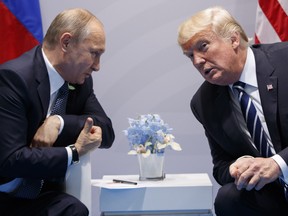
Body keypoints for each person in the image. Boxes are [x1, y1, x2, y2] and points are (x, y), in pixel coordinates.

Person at [0, 8, 115, 216]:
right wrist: (73, 152)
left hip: (39, 195)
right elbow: (10, 160)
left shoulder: (80, 81)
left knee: (74, 210)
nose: (97, 66)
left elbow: (106, 131)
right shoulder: (13, 79)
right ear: (66, 43)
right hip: (3, 196)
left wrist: (59, 122)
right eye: (94, 53)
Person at [177, 6, 288, 216]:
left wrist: (277, 163)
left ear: (234, 39)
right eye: (190, 55)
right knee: (228, 198)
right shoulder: (204, 102)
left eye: (203, 46)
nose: (198, 61)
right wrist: (236, 167)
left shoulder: (284, 62)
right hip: (273, 196)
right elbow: (220, 166)